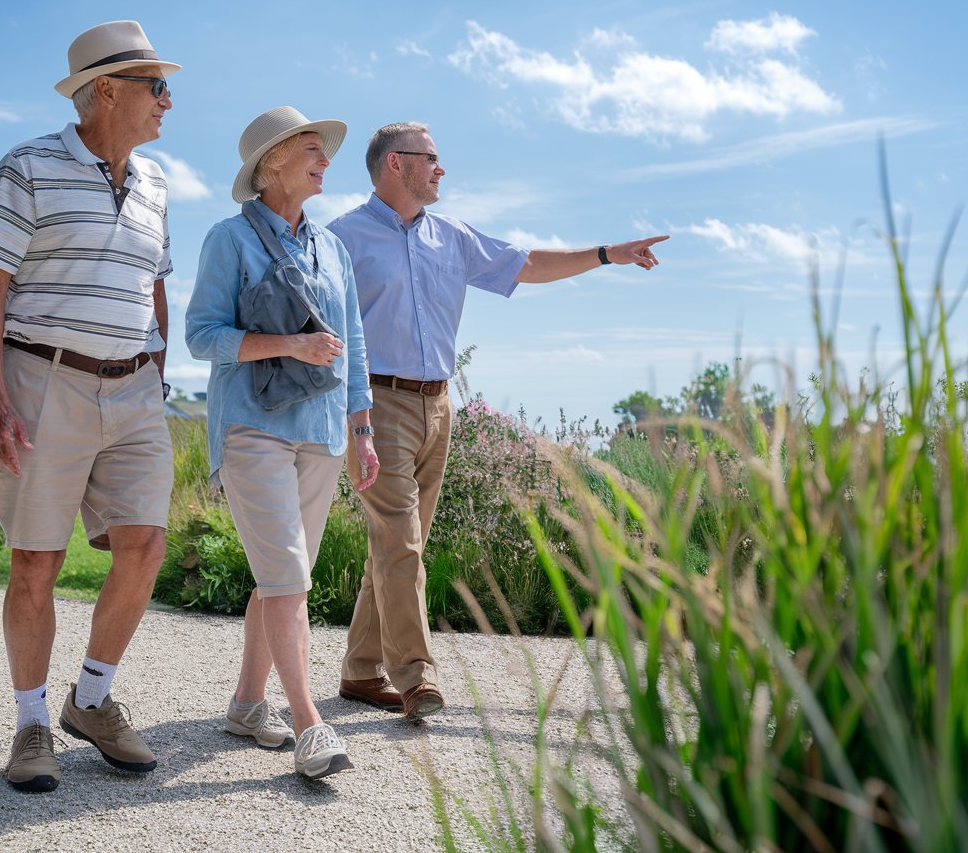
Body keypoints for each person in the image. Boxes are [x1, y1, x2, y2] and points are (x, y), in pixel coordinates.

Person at [328, 122, 666, 719]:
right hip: (376, 405)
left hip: (439, 405)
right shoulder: (341, 239)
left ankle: (360, 670)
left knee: (400, 545)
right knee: (401, 543)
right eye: (431, 158)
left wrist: (608, 254)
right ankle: (416, 676)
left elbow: (528, 264)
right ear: (394, 166)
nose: (441, 169)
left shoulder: (451, 237)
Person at [0, 20, 179, 793]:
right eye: (157, 87)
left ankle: (90, 701)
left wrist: (158, 368)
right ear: (105, 90)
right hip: (43, 379)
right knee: (37, 561)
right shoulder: (28, 165)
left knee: (145, 544)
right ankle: (29, 725)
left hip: (135, 387)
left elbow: (157, 279)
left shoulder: (157, 181)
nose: (168, 102)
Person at [185, 106, 379, 780]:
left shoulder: (332, 248)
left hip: (323, 433)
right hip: (253, 429)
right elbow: (201, 335)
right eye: (311, 150)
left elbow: (352, 342)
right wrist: (289, 344)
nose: (326, 159)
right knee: (289, 578)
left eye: (325, 151)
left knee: (280, 579)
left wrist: (362, 429)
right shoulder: (227, 241)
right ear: (272, 164)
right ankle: (308, 725)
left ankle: (246, 705)